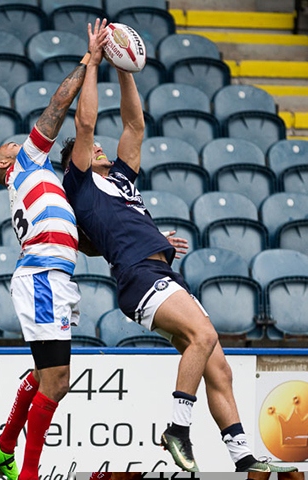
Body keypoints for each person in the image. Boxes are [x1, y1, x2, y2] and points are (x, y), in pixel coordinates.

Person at [60, 19, 298, 474]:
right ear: (84, 157)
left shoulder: (122, 179)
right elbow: (85, 120)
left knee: (220, 367)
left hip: (162, 274)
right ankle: (177, 428)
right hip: (139, 278)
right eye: (94, 149)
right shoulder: (81, 183)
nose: (103, 149)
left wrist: (124, 66)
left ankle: (244, 458)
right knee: (203, 336)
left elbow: (135, 122)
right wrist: (93, 60)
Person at [0, 22, 107, 480]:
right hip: (41, 275)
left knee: (43, 375)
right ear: (4, 162)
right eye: (13, 142)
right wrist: (88, 61)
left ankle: (2, 447)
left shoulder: (38, 180)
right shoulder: (26, 163)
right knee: (57, 382)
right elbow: (58, 107)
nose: (27, 139)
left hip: (52, 275)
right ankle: (28, 472)